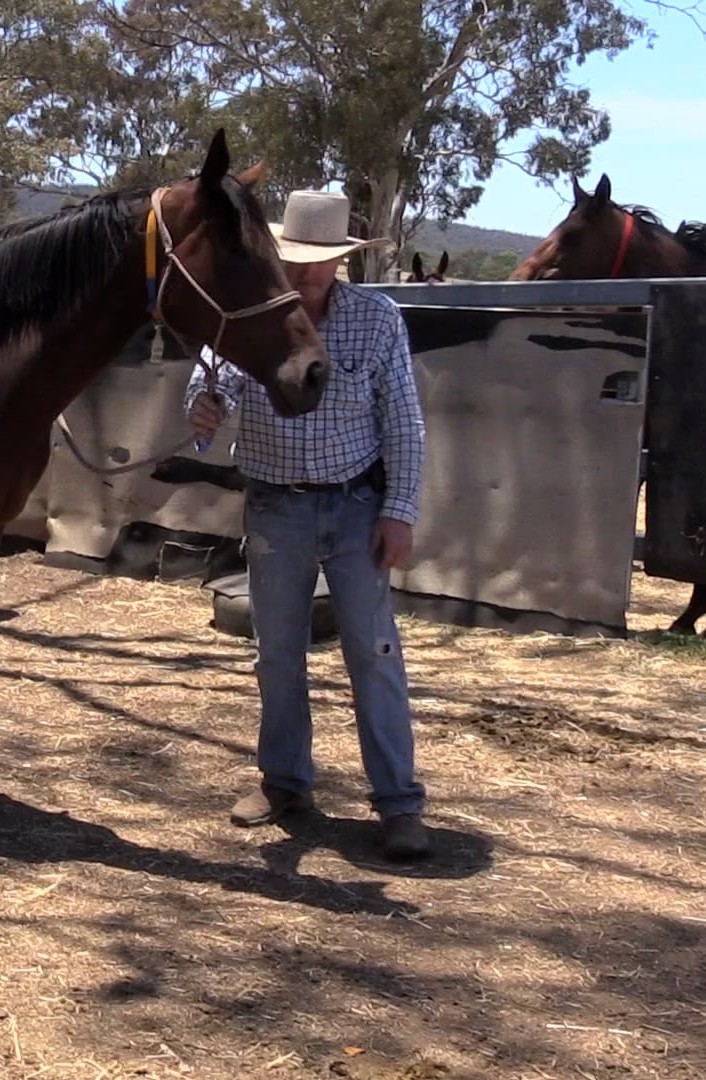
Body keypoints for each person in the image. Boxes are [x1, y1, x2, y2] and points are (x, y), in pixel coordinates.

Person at [185, 188, 430, 860]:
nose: (308, 273)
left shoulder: (376, 319)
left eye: (322, 261)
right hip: (275, 506)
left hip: (356, 505)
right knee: (277, 654)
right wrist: (202, 413)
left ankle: (399, 802)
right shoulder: (256, 312)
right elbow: (212, 383)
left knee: (373, 653)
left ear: (342, 261)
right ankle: (286, 782)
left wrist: (399, 512)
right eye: (298, 259)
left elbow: (403, 421)